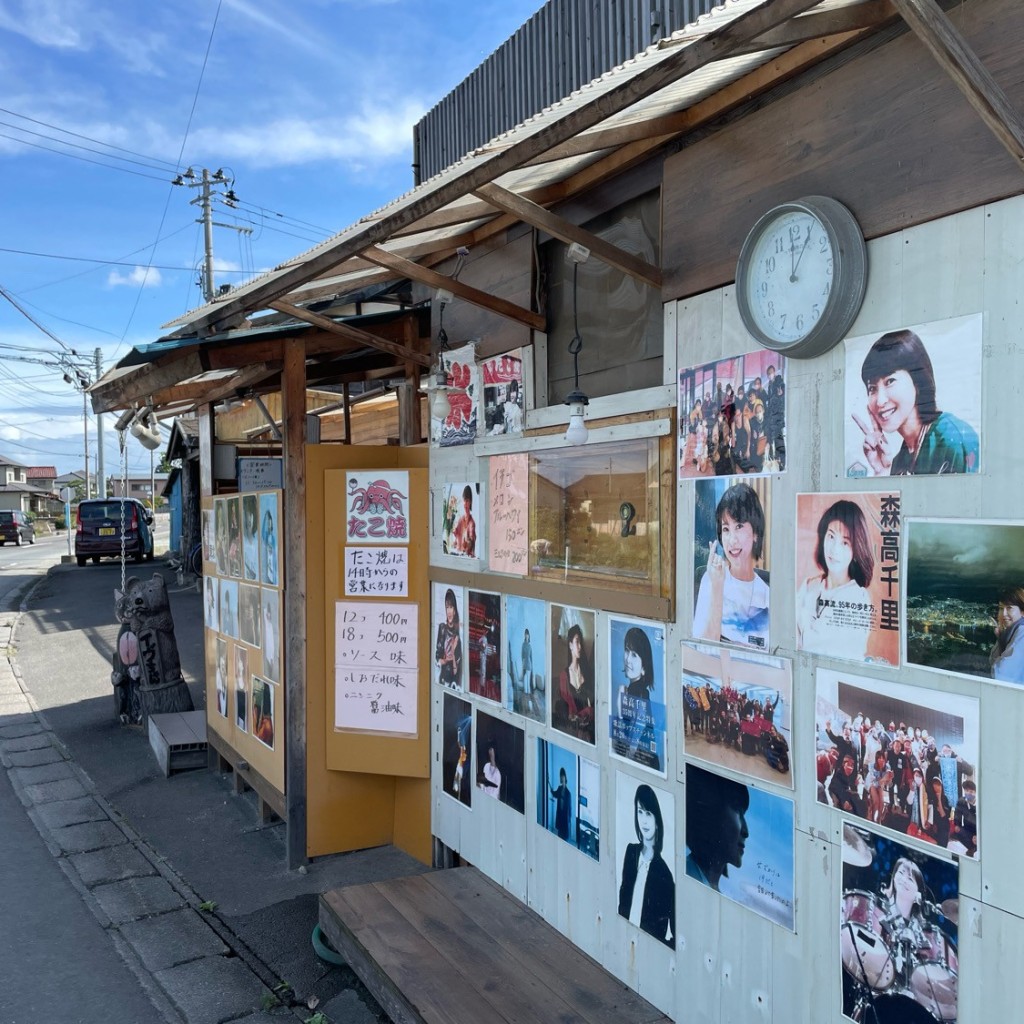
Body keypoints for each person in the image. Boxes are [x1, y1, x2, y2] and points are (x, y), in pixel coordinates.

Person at [855, 328, 979, 475]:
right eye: (872, 388)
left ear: (917, 380)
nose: (880, 401)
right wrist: (883, 471)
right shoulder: (901, 458)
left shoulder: (952, 438)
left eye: (890, 381)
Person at [796, 500, 875, 661]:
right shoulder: (810, 584)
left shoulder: (858, 597)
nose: (834, 549)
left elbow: (816, 646)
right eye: (831, 536)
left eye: (845, 542)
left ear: (856, 549)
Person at [694, 483, 769, 649]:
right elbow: (702, 649)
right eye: (726, 529)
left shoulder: (767, 596)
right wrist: (717, 587)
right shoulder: (711, 579)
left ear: (756, 533)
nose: (732, 540)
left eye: (739, 526)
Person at [618, 784, 675, 948]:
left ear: (657, 821)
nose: (643, 820)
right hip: (624, 939)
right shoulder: (631, 853)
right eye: (640, 812)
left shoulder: (664, 874)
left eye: (648, 813)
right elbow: (623, 898)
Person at [685, 770, 749, 894]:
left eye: (744, 815)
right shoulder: (688, 878)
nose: (746, 832)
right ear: (711, 812)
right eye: (737, 811)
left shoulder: (708, 886)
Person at [613, 626, 660, 771]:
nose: (627, 659)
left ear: (644, 667)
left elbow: (639, 724)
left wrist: (630, 751)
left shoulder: (639, 692)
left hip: (641, 762)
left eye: (634, 655)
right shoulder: (633, 690)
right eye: (627, 650)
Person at [554, 623, 594, 742]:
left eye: (580, 642)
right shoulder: (564, 676)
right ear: (570, 645)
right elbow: (567, 712)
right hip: (572, 734)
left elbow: (591, 706)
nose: (580, 646)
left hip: (589, 732)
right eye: (577, 642)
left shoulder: (587, 673)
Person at [990, 586, 1024, 683]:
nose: (1003, 614)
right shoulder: (1011, 632)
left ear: (1022, 611)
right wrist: (1000, 638)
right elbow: (992, 663)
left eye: (1009, 608)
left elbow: (1000, 674)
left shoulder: (1022, 633)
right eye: (1001, 608)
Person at [434, 588, 463, 689]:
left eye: (451, 607)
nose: (449, 611)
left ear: (455, 610)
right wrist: (442, 661)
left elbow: (456, 671)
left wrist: (453, 651)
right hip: (440, 680)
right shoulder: (442, 628)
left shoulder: (457, 637)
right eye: (447, 607)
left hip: (451, 685)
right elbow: (436, 657)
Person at [764, 365, 786, 470]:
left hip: (778, 416)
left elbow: (783, 398)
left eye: (771, 373)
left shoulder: (779, 383)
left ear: (774, 373)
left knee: (778, 439)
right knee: (773, 440)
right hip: (772, 417)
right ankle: (776, 460)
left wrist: (781, 395)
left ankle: (781, 461)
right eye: (768, 374)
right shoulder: (770, 386)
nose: (770, 375)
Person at [950, 779, 977, 857]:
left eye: (971, 792)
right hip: (967, 828)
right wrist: (957, 824)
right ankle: (971, 848)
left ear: (975, 792)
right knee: (958, 831)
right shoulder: (961, 801)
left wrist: (978, 835)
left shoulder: (979, 805)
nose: (969, 793)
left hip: (978, 831)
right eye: (967, 791)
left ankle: (975, 848)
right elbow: (957, 814)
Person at [451, 485, 477, 557]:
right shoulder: (460, 520)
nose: (465, 503)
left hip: (467, 558)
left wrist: (468, 543)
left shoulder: (472, 523)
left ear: (470, 502)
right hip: (458, 555)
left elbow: (472, 540)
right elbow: (456, 538)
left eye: (467, 500)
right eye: (464, 500)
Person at [548, 767, 572, 841]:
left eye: (562, 776)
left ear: (565, 777)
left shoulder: (568, 793)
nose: (561, 778)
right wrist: (548, 782)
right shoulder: (559, 788)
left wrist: (569, 821)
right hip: (560, 816)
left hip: (565, 818)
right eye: (560, 777)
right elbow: (554, 794)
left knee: (564, 837)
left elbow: (570, 808)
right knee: (559, 836)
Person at [260, 508, 278, 585]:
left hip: (272, 576)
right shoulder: (264, 539)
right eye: (267, 524)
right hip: (266, 575)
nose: (269, 527)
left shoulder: (273, 539)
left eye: (270, 524)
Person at [520, 628, 535, 713]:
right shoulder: (523, 645)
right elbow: (522, 655)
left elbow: (531, 657)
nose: (526, 636)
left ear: (529, 636)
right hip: (524, 664)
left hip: (529, 665)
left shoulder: (530, 646)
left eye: (527, 634)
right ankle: (526, 700)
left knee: (528, 682)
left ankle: (529, 704)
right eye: (525, 634)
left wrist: (532, 666)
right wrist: (523, 664)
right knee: (525, 681)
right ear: (524, 635)